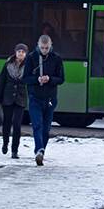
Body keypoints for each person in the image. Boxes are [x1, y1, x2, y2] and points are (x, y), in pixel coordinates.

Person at [22, 34, 63, 166]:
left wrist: (49, 79)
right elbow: (25, 78)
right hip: (35, 97)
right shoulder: (31, 58)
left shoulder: (56, 58)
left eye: (46, 48)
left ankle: (42, 151)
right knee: (37, 125)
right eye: (42, 48)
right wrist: (36, 79)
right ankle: (38, 150)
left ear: (51, 46)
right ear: (38, 45)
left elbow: (61, 78)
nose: (44, 50)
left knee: (46, 128)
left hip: (50, 98)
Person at [0, 43, 28, 159]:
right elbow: (1, 82)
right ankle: (5, 143)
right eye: (19, 51)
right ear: (15, 52)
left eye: (23, 52)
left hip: (20, 99)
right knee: (7, 122)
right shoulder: (8, 64)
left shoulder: (29, 66)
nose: (20, 54)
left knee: (17, 124)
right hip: (7, 98)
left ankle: (14, 150)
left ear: (25, 54)